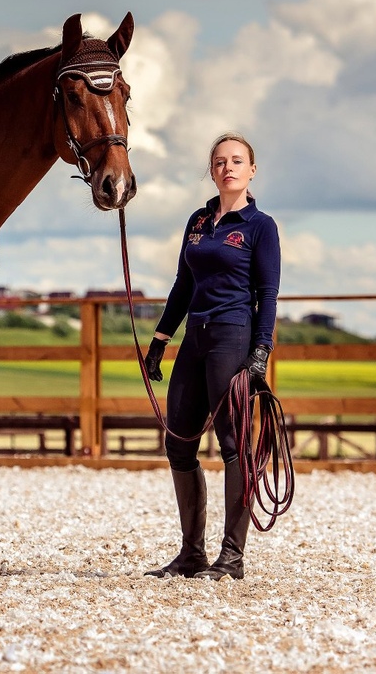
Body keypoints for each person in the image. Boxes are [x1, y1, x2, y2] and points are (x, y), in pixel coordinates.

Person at [143, 132, 280, 580]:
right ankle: (191, 554)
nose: (228, 168)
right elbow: (183, 284)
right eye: (220, 162)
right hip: (195, 337)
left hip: (233, 335)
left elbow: (268, 294)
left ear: (252, 170)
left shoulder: (261, 227)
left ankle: (232, 557)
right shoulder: (198, 221)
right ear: (212, 169)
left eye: (237, 161)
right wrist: (161, 339)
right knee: (177, 442)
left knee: (233, 444)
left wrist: (261, 351)